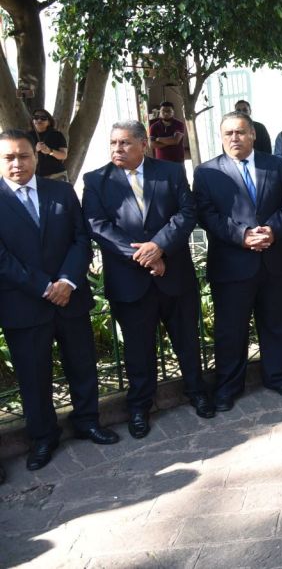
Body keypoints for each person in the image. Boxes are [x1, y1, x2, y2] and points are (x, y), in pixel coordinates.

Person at [82, 121, 214, 438]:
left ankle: (197, 392)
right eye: (113, 143)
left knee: (187, 341)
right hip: (130, 281)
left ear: (144, 144)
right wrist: (144, 256)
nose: (117, 148)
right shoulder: (96, 180)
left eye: (125, 142)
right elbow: (97, 225)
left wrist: (160, 247)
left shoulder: (170, 172)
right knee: (138, 350)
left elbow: (187, 212)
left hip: (174, 275)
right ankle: (140, 407)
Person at [0, 130, 119, 471]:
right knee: (33, 375)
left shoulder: (62, 192)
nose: (17, 163)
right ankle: (43, 438)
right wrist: (43, 286)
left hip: (70, 299)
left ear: (36, 157)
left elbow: (81, 239)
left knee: (82, 365)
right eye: (9, 157)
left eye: (24, 155)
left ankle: (88, 421)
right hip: (24, 304)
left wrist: (66, 281)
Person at [193, 112, 282, 411]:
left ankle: (278, 376)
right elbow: (206, 214)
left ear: (252, 134)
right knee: (231, 330)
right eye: (228, 133)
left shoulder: (276, 165)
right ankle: (228, 386)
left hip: (275, 259)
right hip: (232, 264)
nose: (234, 138)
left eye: (240, 132)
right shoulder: (206, 172)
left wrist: (272, 230)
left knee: (278, 324)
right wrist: (241, 236)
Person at [27, 109, 69, 181]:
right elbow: (22, 154)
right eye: (36, 117)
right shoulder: (26, 136)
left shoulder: (57, 135)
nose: (39, 120)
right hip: (34, 176)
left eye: (43, 118)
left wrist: (50, 151)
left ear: (49, 122)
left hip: (56, 175)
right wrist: (35, 149)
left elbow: (64, 155)